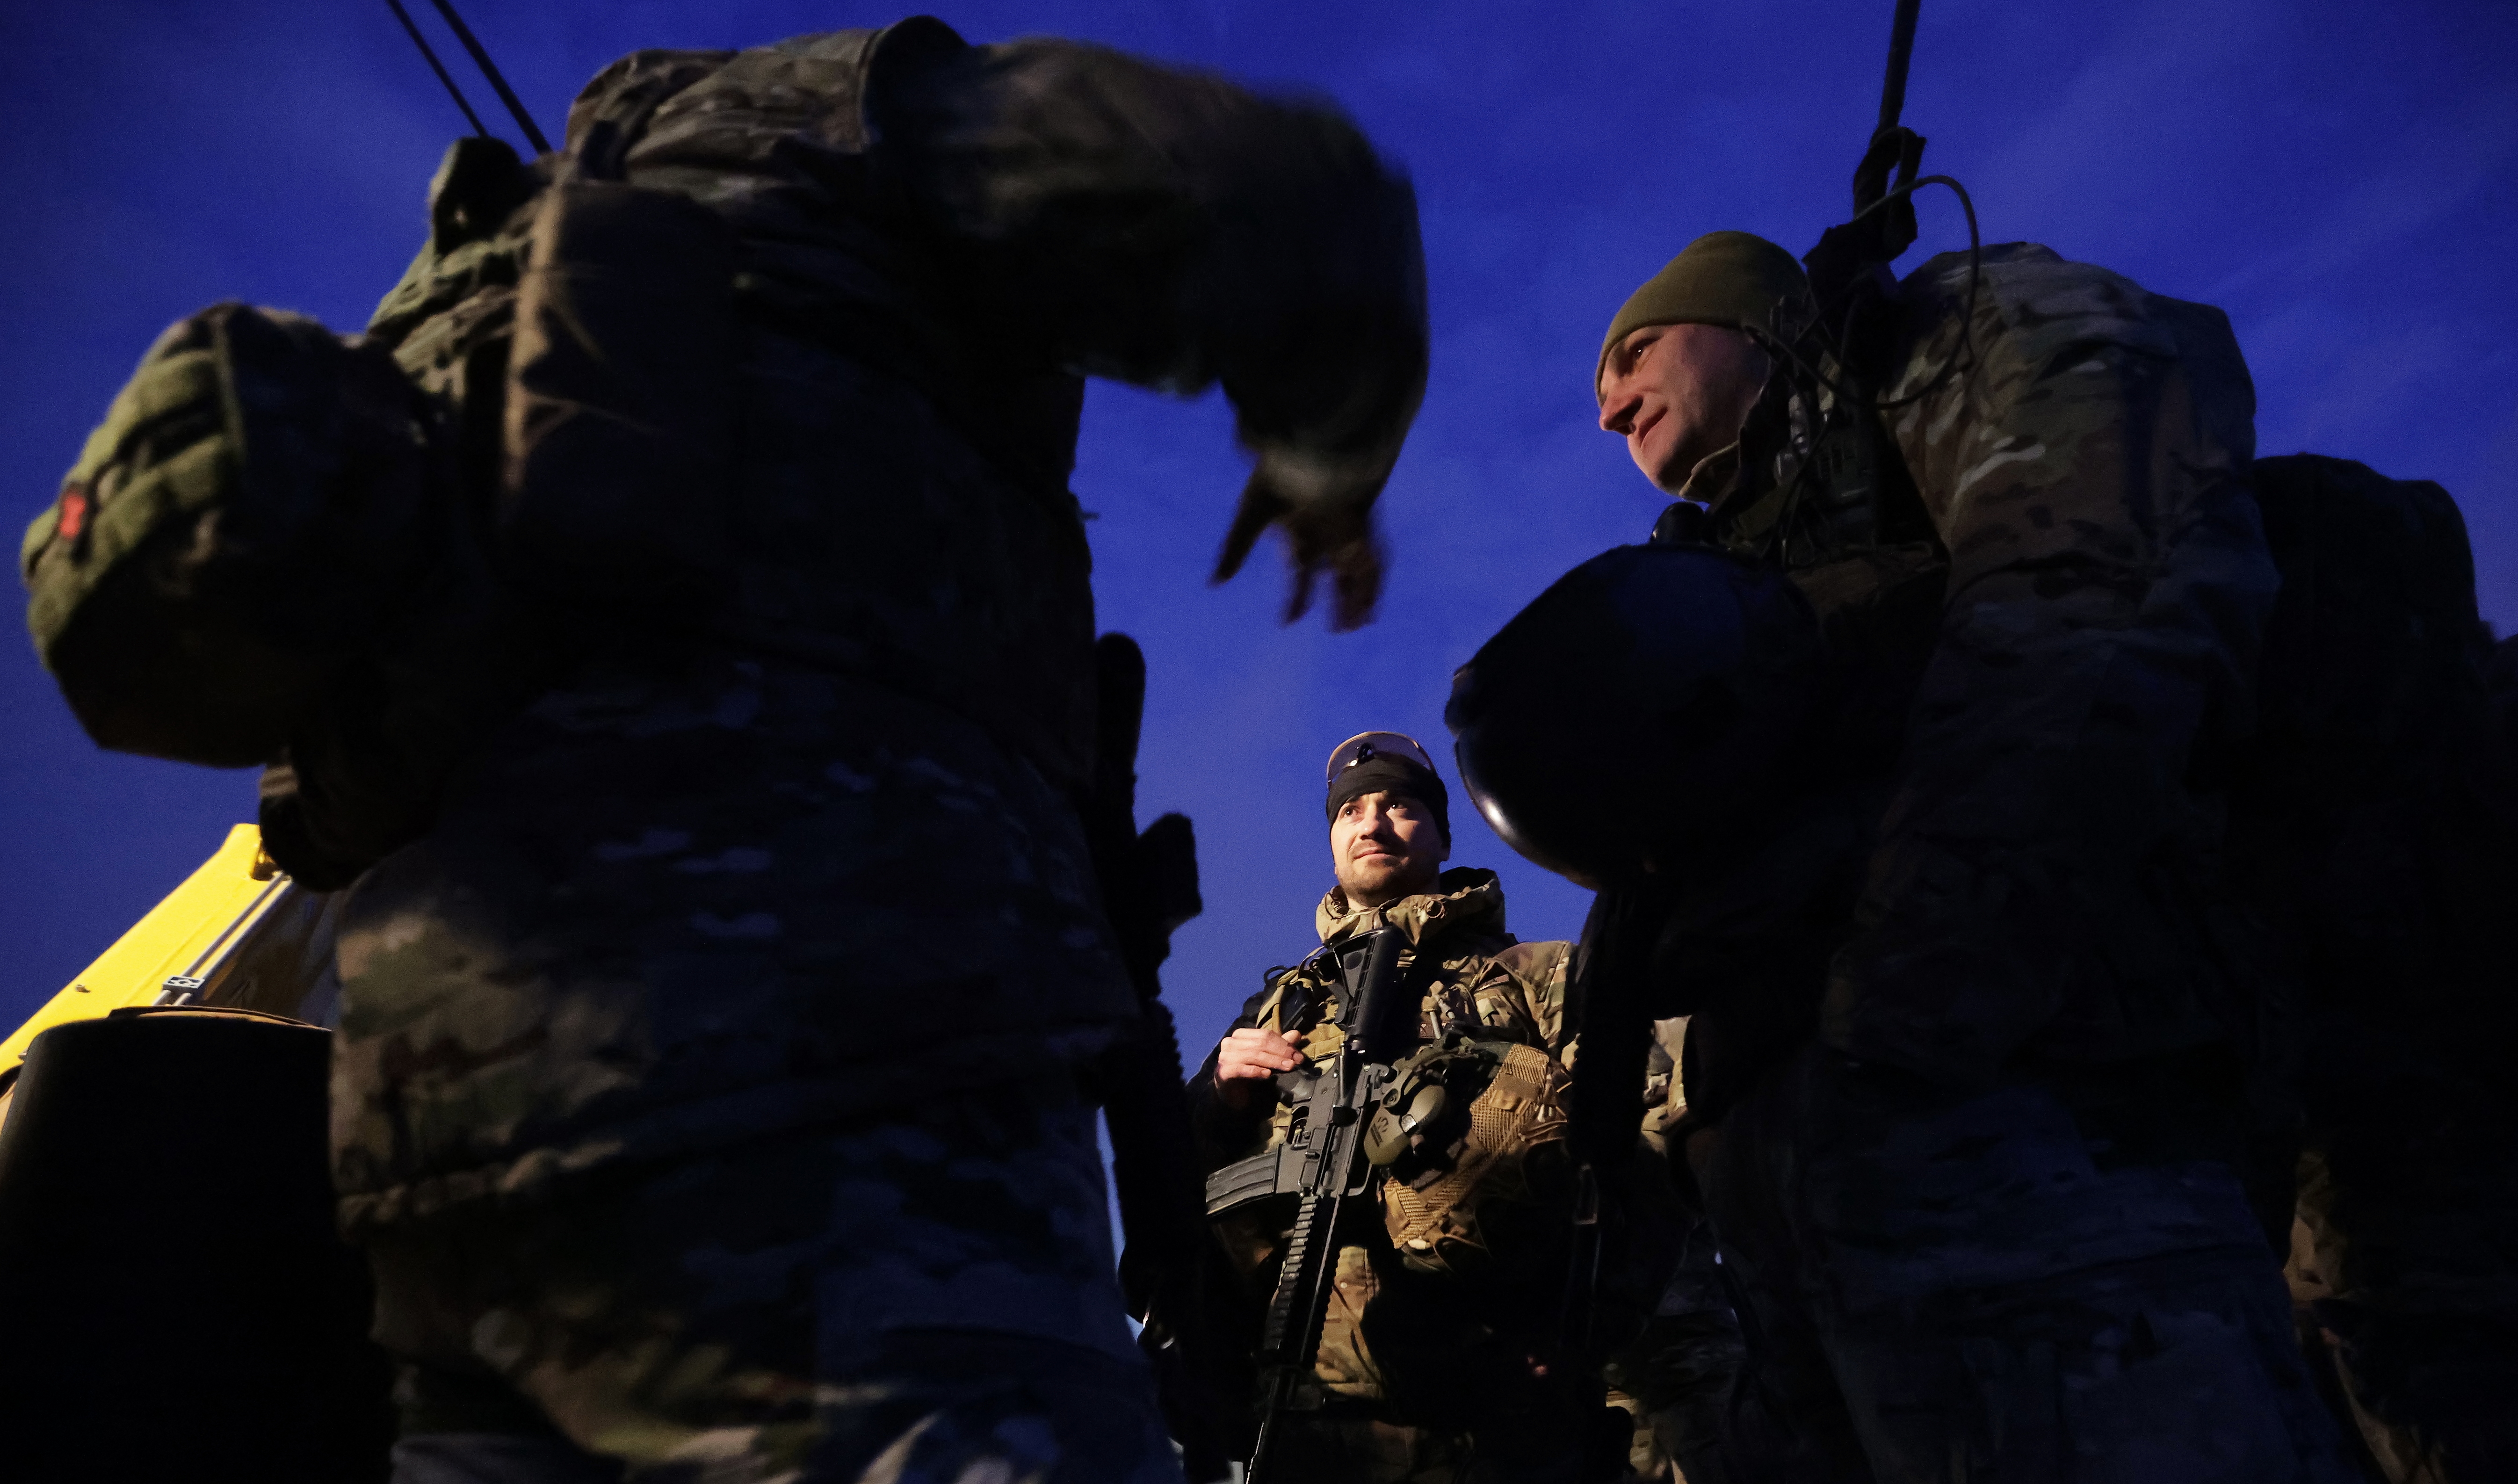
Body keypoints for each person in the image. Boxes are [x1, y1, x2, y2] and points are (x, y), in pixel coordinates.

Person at [24, 17, 1431, 1484]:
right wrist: (1321, 461)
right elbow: (1290, 197)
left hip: (451, 1156)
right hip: (859, 1101)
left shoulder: (449, 305)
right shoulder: (847, 126)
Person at [1461, 230, 2361, 1480]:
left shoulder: (1959, 337)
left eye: (1633, 351)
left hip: (2035, 1157)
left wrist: (1900, 1018)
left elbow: (2094, 607)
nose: (1607, 401)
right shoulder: (1725, 567)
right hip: (1807, 1238)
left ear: (1751, 321)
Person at [1190, 731, 1610, 1482]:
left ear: (1444, 834)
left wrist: (1599, 1339)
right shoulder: (1279, 1005)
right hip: (1297, 1420)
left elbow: (1636, 1160)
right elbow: (1177, 1193)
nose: (1373, 823)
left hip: (1491, 1422)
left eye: (1400, 806)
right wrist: (1215, 1099)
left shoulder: (1539, 977)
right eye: (1351, 809)